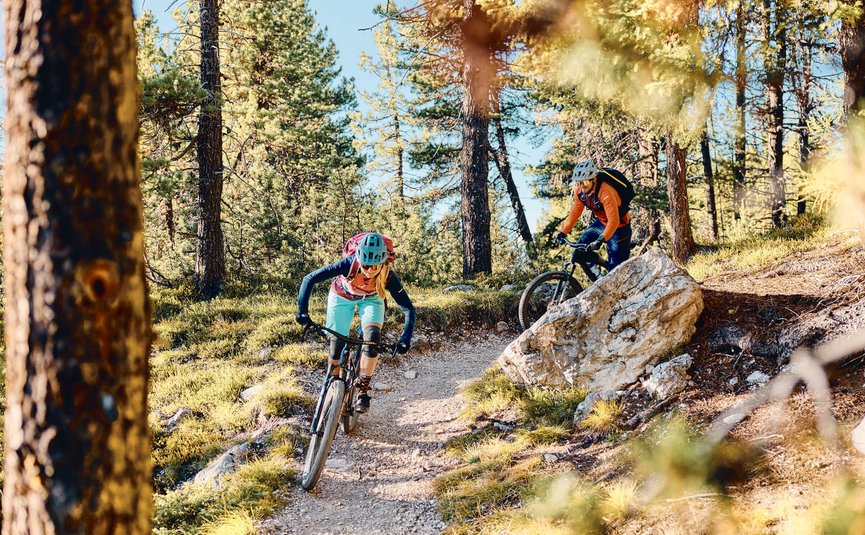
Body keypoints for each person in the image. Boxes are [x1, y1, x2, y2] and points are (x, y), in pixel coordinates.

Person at [296, 232, 415, 413]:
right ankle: (333, 381)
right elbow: (309, 278)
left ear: (383, 261)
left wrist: (406, 338)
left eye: (375, 266)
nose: (369, 269)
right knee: (336, 344)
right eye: (366, 264)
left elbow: (408, 308)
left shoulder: (388, 275)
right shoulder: (348, 264)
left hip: (371, 299)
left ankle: (363, 390)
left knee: (372, 338)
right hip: (341, 296)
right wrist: (302, 312)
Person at [554, 160, 633, 271]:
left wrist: (602, 239)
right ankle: (603, 269)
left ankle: (610, 269)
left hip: (619, 228)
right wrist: (563, 232)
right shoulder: (580, 192)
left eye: (585, 182)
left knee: (616, 272)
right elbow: (575, 213)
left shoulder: (605, 192)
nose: (582, 186)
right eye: (579, 182)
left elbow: (614, 221)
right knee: (579, 253)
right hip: (601, 224)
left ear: (594, 179)